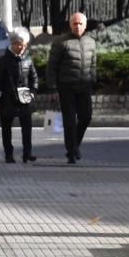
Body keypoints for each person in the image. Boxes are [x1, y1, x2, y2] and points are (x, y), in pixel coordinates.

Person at [46, 12, 97, 164]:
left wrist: (93, 80)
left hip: (84, 86)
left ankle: (75, 145)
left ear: (85, 25)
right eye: (75, 23)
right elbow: (51, 67)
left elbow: (93, 63)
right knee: (69, 121)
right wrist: (53, 88)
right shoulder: (61, 42)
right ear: (70, 25)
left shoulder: (91, 42)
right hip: (66, 87)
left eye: (80, 23)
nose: (77, 26)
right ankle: (71, 152)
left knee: (86, 117)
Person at [0, 27, 39, 164]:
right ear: (13, 43)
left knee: (27, 127)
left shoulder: (28, 59)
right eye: (20, 44)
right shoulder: (4, 60)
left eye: (25, 45)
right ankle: (8, 154)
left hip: (25, 98)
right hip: (8, 98)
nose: (23, 48)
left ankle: (27, 153)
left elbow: (34, 78)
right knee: (6, 129)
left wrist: (33, 92)